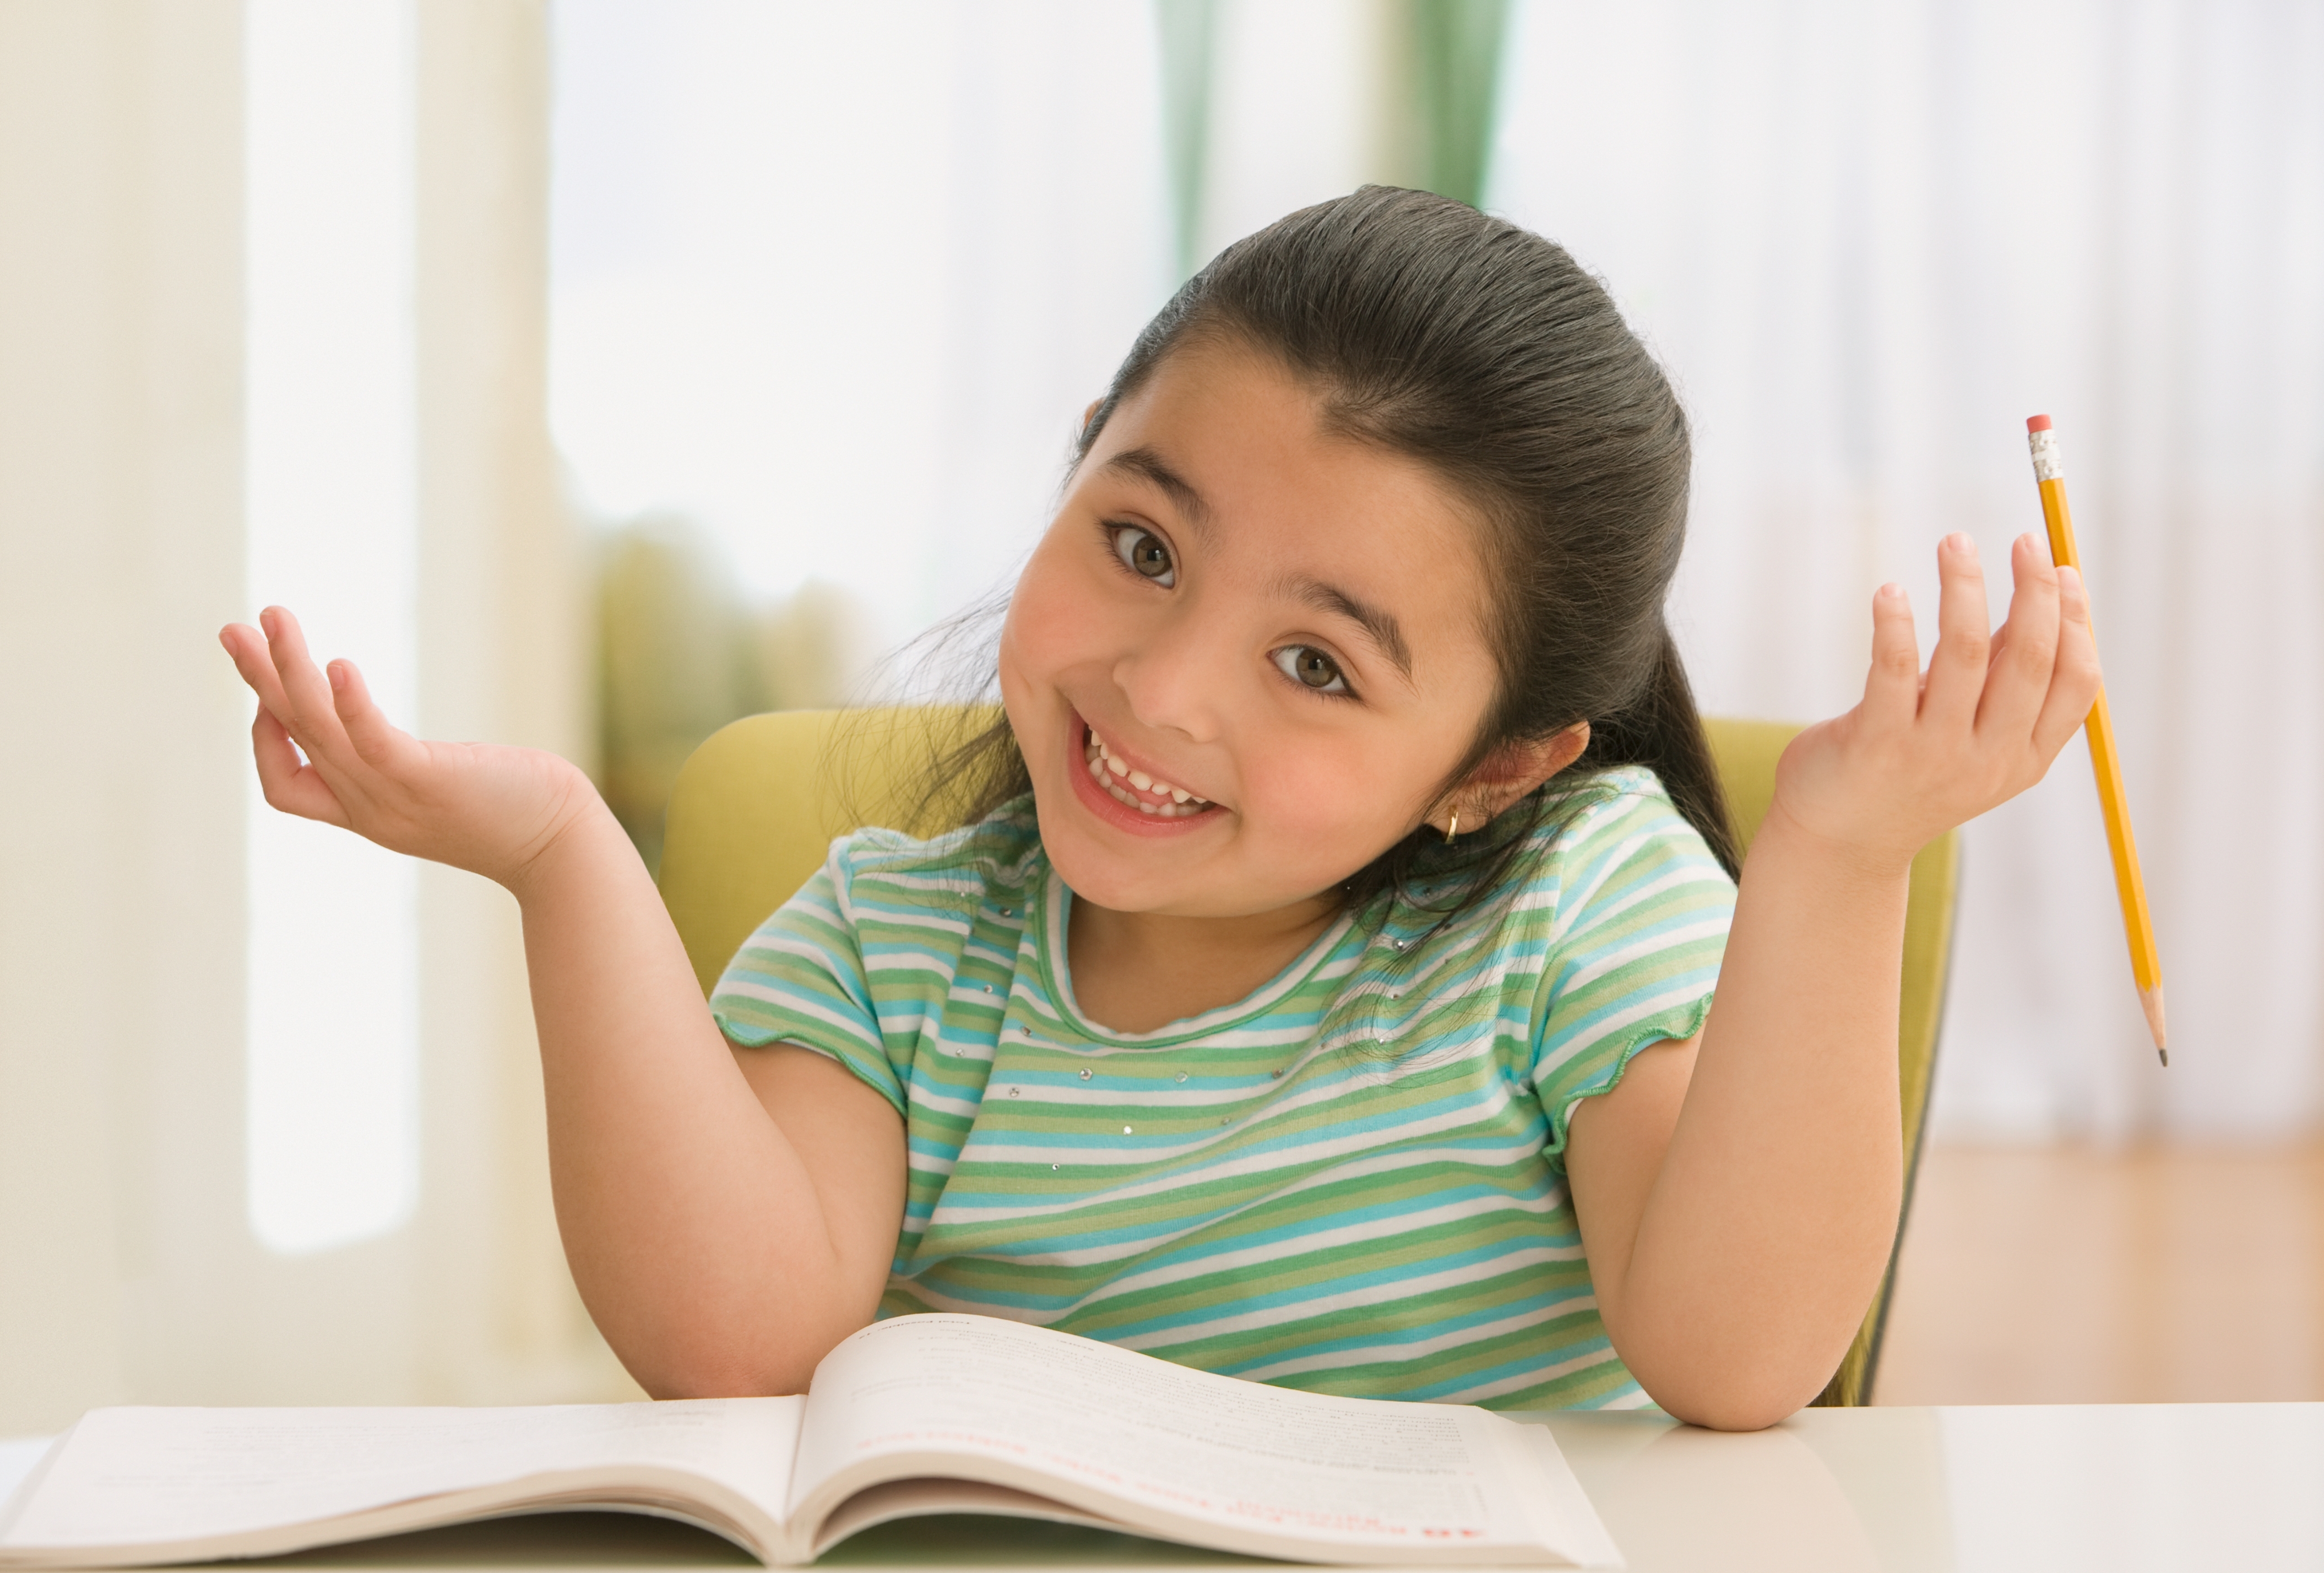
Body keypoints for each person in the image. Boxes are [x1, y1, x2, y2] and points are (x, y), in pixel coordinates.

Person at [219, 188, 2098, 1429]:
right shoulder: (897, 943)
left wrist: (1842, 856)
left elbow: (1737, 1356)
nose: (1164, 688)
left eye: (1318, 666)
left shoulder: (1575, 904)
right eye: (1139, 544)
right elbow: (734, 1341)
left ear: (1496, 769)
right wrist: (562, 853)